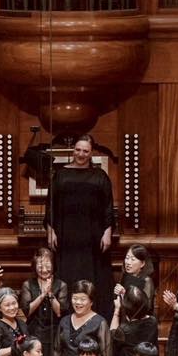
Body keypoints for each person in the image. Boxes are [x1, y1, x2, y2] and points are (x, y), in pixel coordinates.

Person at [45, 136, 116, 318]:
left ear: (91, 153)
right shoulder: (60, 174)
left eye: (85, 151)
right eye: (78, 150)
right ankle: (67, 314)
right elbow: (50, 204)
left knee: (93, 274)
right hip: (65, 235)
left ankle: (93, 315)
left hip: (93, 236)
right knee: (67, 273)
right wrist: (50, 230)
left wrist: (107, 232)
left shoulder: (100, 176)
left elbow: (108, 205)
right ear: (73, 150)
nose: (81, 154)